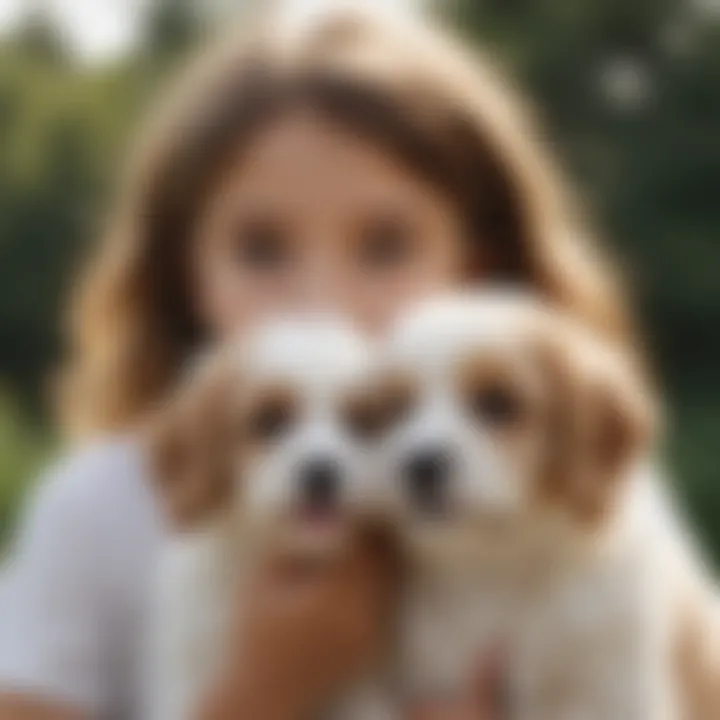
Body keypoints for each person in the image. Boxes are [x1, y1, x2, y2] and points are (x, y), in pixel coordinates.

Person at [0, 4, 640, 719]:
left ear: (476, 268)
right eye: (262, 250)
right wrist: (267, 688)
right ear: (184, 270)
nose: (321, 301)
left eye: (386, 247)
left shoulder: (558, 496)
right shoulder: (105, 508)